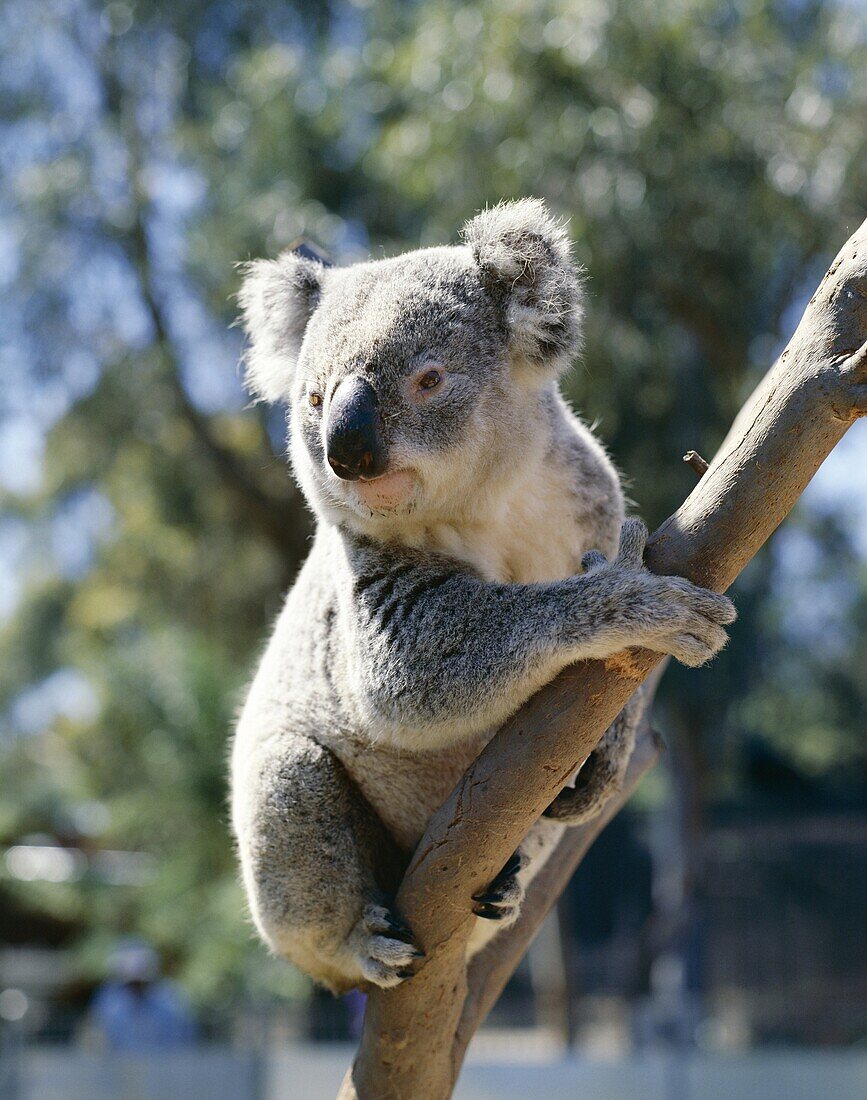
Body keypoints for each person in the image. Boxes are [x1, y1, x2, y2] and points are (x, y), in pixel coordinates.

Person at [88, 938, 198, 1051]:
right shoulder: (108, 1000)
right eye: (131, 983)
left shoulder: (171, 999)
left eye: (141, 982)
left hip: (167, 1065)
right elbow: (97, 1038)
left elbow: (185, 1041)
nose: (136, 987)